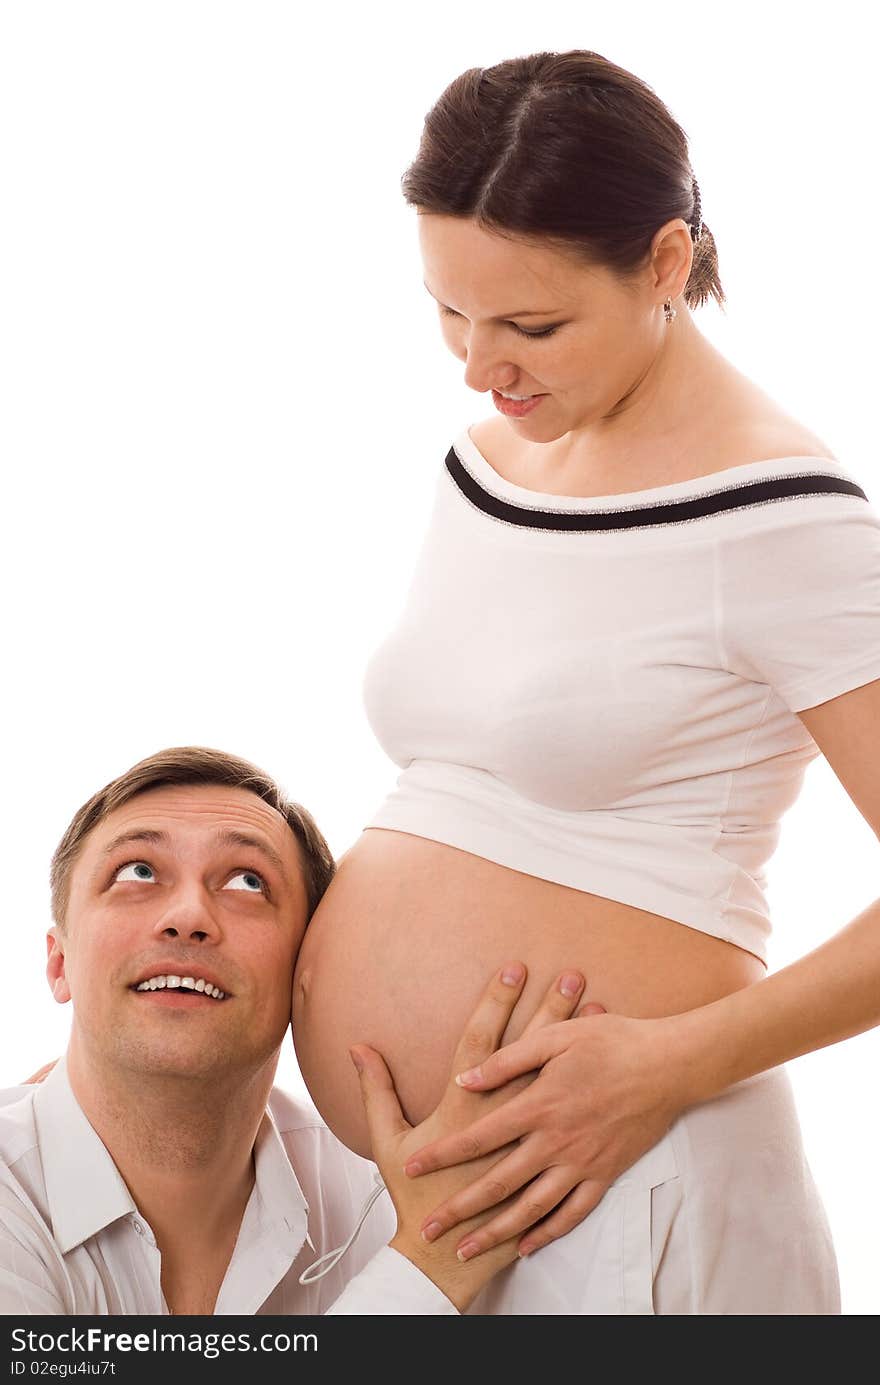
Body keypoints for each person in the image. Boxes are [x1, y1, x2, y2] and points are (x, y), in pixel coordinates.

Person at [289, 49, 880, 1314]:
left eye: (532, 325)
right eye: (451, 312)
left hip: (640, 1185)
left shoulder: (784, 516)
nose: (478, 364)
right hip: (428, 1212)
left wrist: (662, 1066)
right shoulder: (487, 458)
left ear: (667, 264)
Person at [0, 746, 594, 1316]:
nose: (188, 918)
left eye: (247, 882)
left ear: (309, 970)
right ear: (58, 963)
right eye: (138, 871)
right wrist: (432, 1267)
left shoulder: (386, 1197)